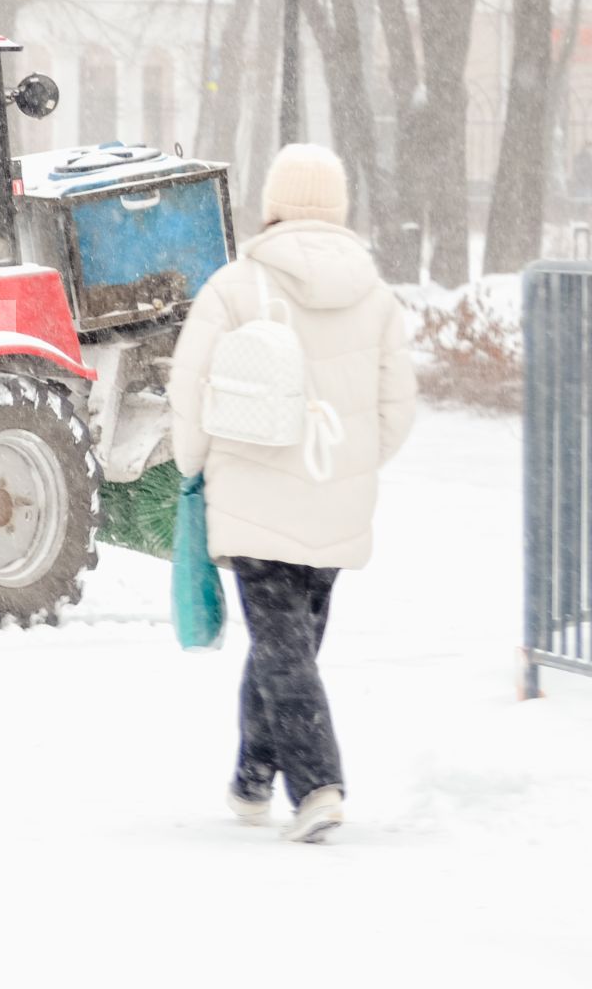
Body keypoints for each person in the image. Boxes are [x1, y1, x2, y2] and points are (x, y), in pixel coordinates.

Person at [167, 143, 416, 844]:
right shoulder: (376, 297)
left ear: (274, 205)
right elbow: (398, 407)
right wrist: (350, 459)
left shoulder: (234, 288)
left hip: (252, 497)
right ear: (337, 208)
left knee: (282, 647)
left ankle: (318, 786)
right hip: (336, 496)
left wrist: (196, 464)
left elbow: (189, 387)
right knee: (290, 644)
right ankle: (251, 779)